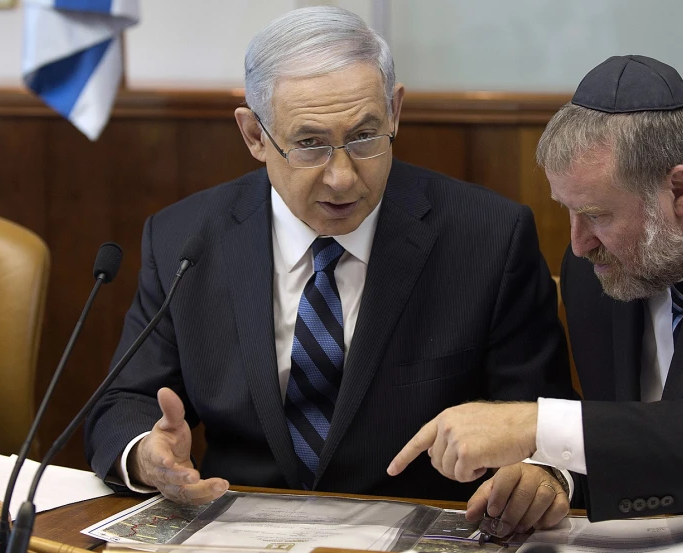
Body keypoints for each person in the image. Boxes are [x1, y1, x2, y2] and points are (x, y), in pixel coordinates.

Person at [84, 5, 572, 520]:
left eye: (364, 137)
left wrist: (539, 475)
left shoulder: (489, 238)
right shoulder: (184, 240)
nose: (341, 177)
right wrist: (148, 454)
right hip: (241, 527)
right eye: (310, 144)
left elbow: (545, 424)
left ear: (395, 110)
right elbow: (123, 403)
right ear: (254, 135)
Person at [389, 55, 683, 522]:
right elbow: (630, 436)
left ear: (679, 190)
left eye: (597, 215)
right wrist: (557, 476)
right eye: (568, 211)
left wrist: (536, 425)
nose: (577, 246)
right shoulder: (597, 266)